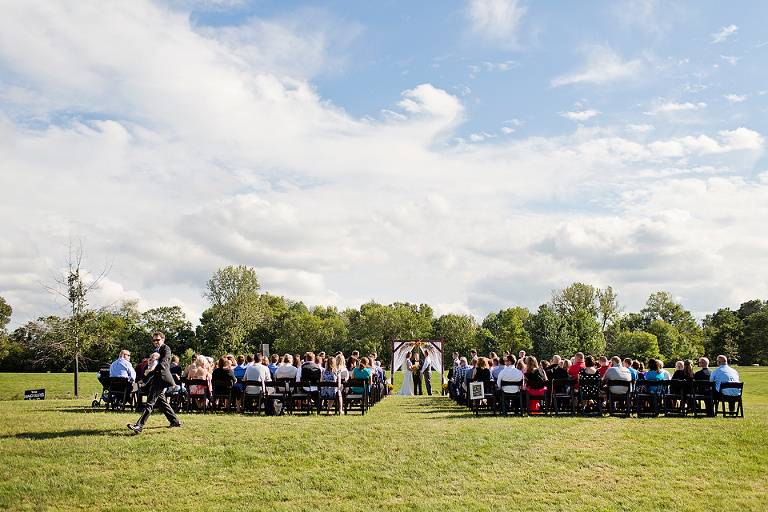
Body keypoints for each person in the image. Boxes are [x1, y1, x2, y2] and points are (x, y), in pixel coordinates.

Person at [127, 332, 180, 434]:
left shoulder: (166, 349)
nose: (156, 342)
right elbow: (153, 368)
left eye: (158, 340)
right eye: (154, 340)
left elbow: (163, 364)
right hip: (156, 379)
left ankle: (139, 426)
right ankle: (175, 421)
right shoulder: (156, 351)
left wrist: (150, 370)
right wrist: (145, 379)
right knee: (162, 403)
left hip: (162, 379)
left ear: (163, 340)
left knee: (150, 403)